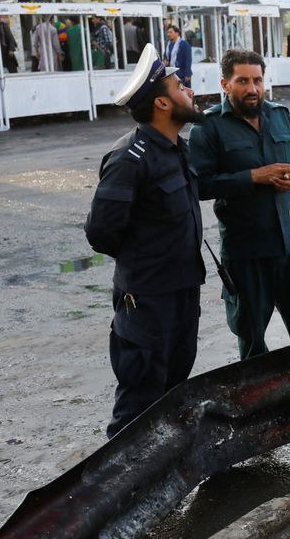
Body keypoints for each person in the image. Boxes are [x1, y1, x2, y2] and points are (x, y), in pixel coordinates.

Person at [84, 44, 206, 439]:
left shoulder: (176, 149)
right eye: (180, 86)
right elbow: (101, 231)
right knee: (138, 409)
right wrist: (144, 261)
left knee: (172, 395)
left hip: (182, 293)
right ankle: (122, 478)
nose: (189, 89)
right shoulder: (129, 158)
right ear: (162, 103)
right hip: (147, 302)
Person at [189, 49, 290, 359]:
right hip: (246, 253)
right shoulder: (208, 127)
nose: (252, 89)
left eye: (257, 80)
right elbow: (198, 185)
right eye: (242, 81)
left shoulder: (280, 116)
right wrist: (253, 177)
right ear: (225, 84)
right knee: (252, 345)